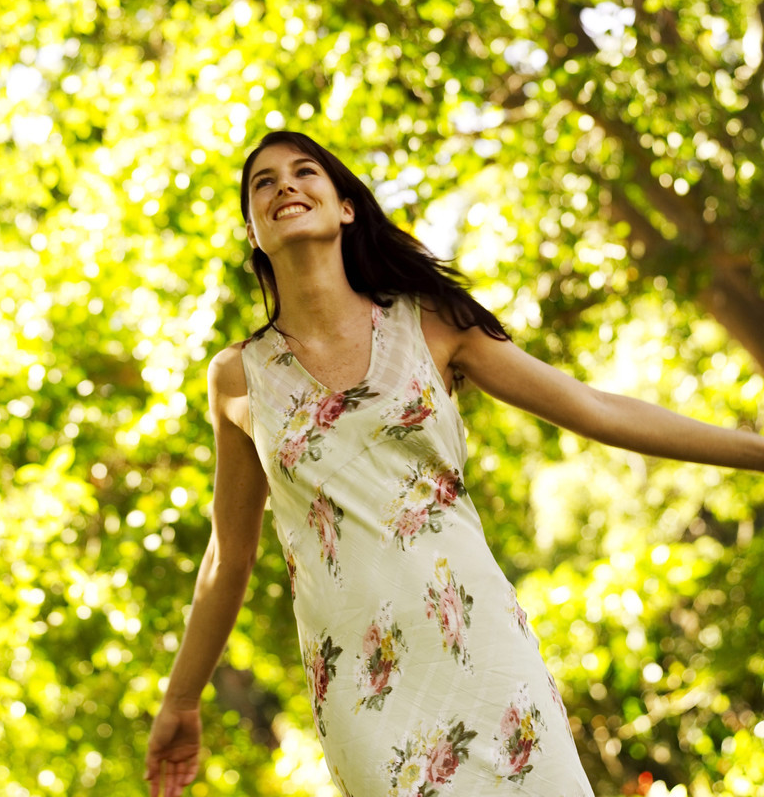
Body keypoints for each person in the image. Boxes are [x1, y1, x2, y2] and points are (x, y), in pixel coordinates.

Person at [144, 130, 764, 797]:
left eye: (304, 172)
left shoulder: (431, 322)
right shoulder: (240, 378)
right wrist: (182, 699)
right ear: (253, 231)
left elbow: (595, 409)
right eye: (264, 183)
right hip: (363, 689)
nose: (286, 186)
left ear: (345, 206)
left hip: (485, 651)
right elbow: (228, 554)